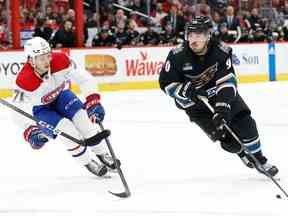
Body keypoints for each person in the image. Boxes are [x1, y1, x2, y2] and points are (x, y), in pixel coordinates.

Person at [159, 16, 278, 177]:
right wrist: (184, 90)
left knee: (246, 124)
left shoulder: (221, 51)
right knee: (230, 142)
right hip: (195, 104)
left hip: (219, 95)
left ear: (208, 36)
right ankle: (242, 153)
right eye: (191, 35)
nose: (193, 39)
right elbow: (166, 83)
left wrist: (222, 107)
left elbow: (227, 82)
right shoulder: (177, 55)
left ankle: (260, 160)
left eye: (198, 35)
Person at [14, 37, 120, 177]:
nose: (47, 61)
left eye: (48, 56)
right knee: (68, 132)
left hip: (62, 95)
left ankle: (102, 153)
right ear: (31, 60)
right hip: (41, 109)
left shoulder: (60, 60)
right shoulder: (24, 80)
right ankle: (88, 161)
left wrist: (93, 100)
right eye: (41, 58)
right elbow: (17, 110)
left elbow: (84, 78)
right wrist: (30, 130)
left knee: (85, 122)